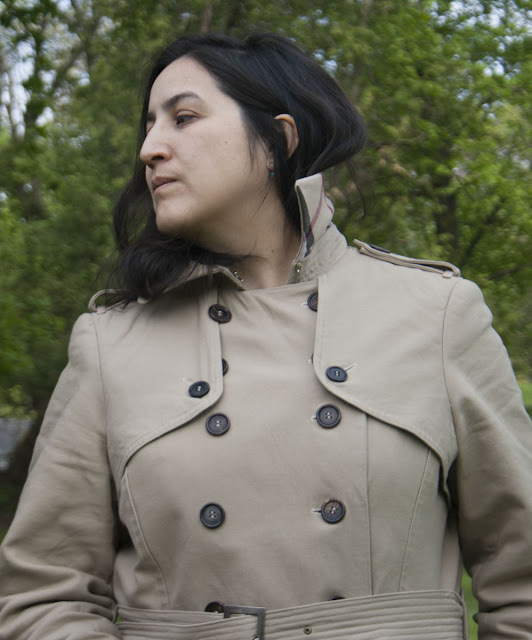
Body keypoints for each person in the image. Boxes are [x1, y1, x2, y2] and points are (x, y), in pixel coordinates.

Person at [0, 32, 531, 640]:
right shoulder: (108, 344)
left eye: (183, 117)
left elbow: (521, 581)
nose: (149, 149)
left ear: (280, 139)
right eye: (149, 127)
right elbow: (43, 595)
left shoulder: (438, 315)